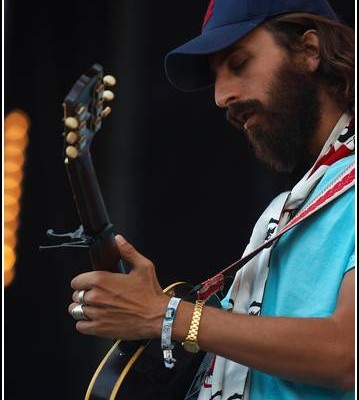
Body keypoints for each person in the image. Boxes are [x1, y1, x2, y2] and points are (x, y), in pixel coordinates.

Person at [68, 0, 355, 398]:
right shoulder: (290, 207)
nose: (221, 96)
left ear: (309, 51)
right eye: (216, 77)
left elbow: (347, 354)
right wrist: (149, 311)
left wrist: (164, 314)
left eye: (239, 63)